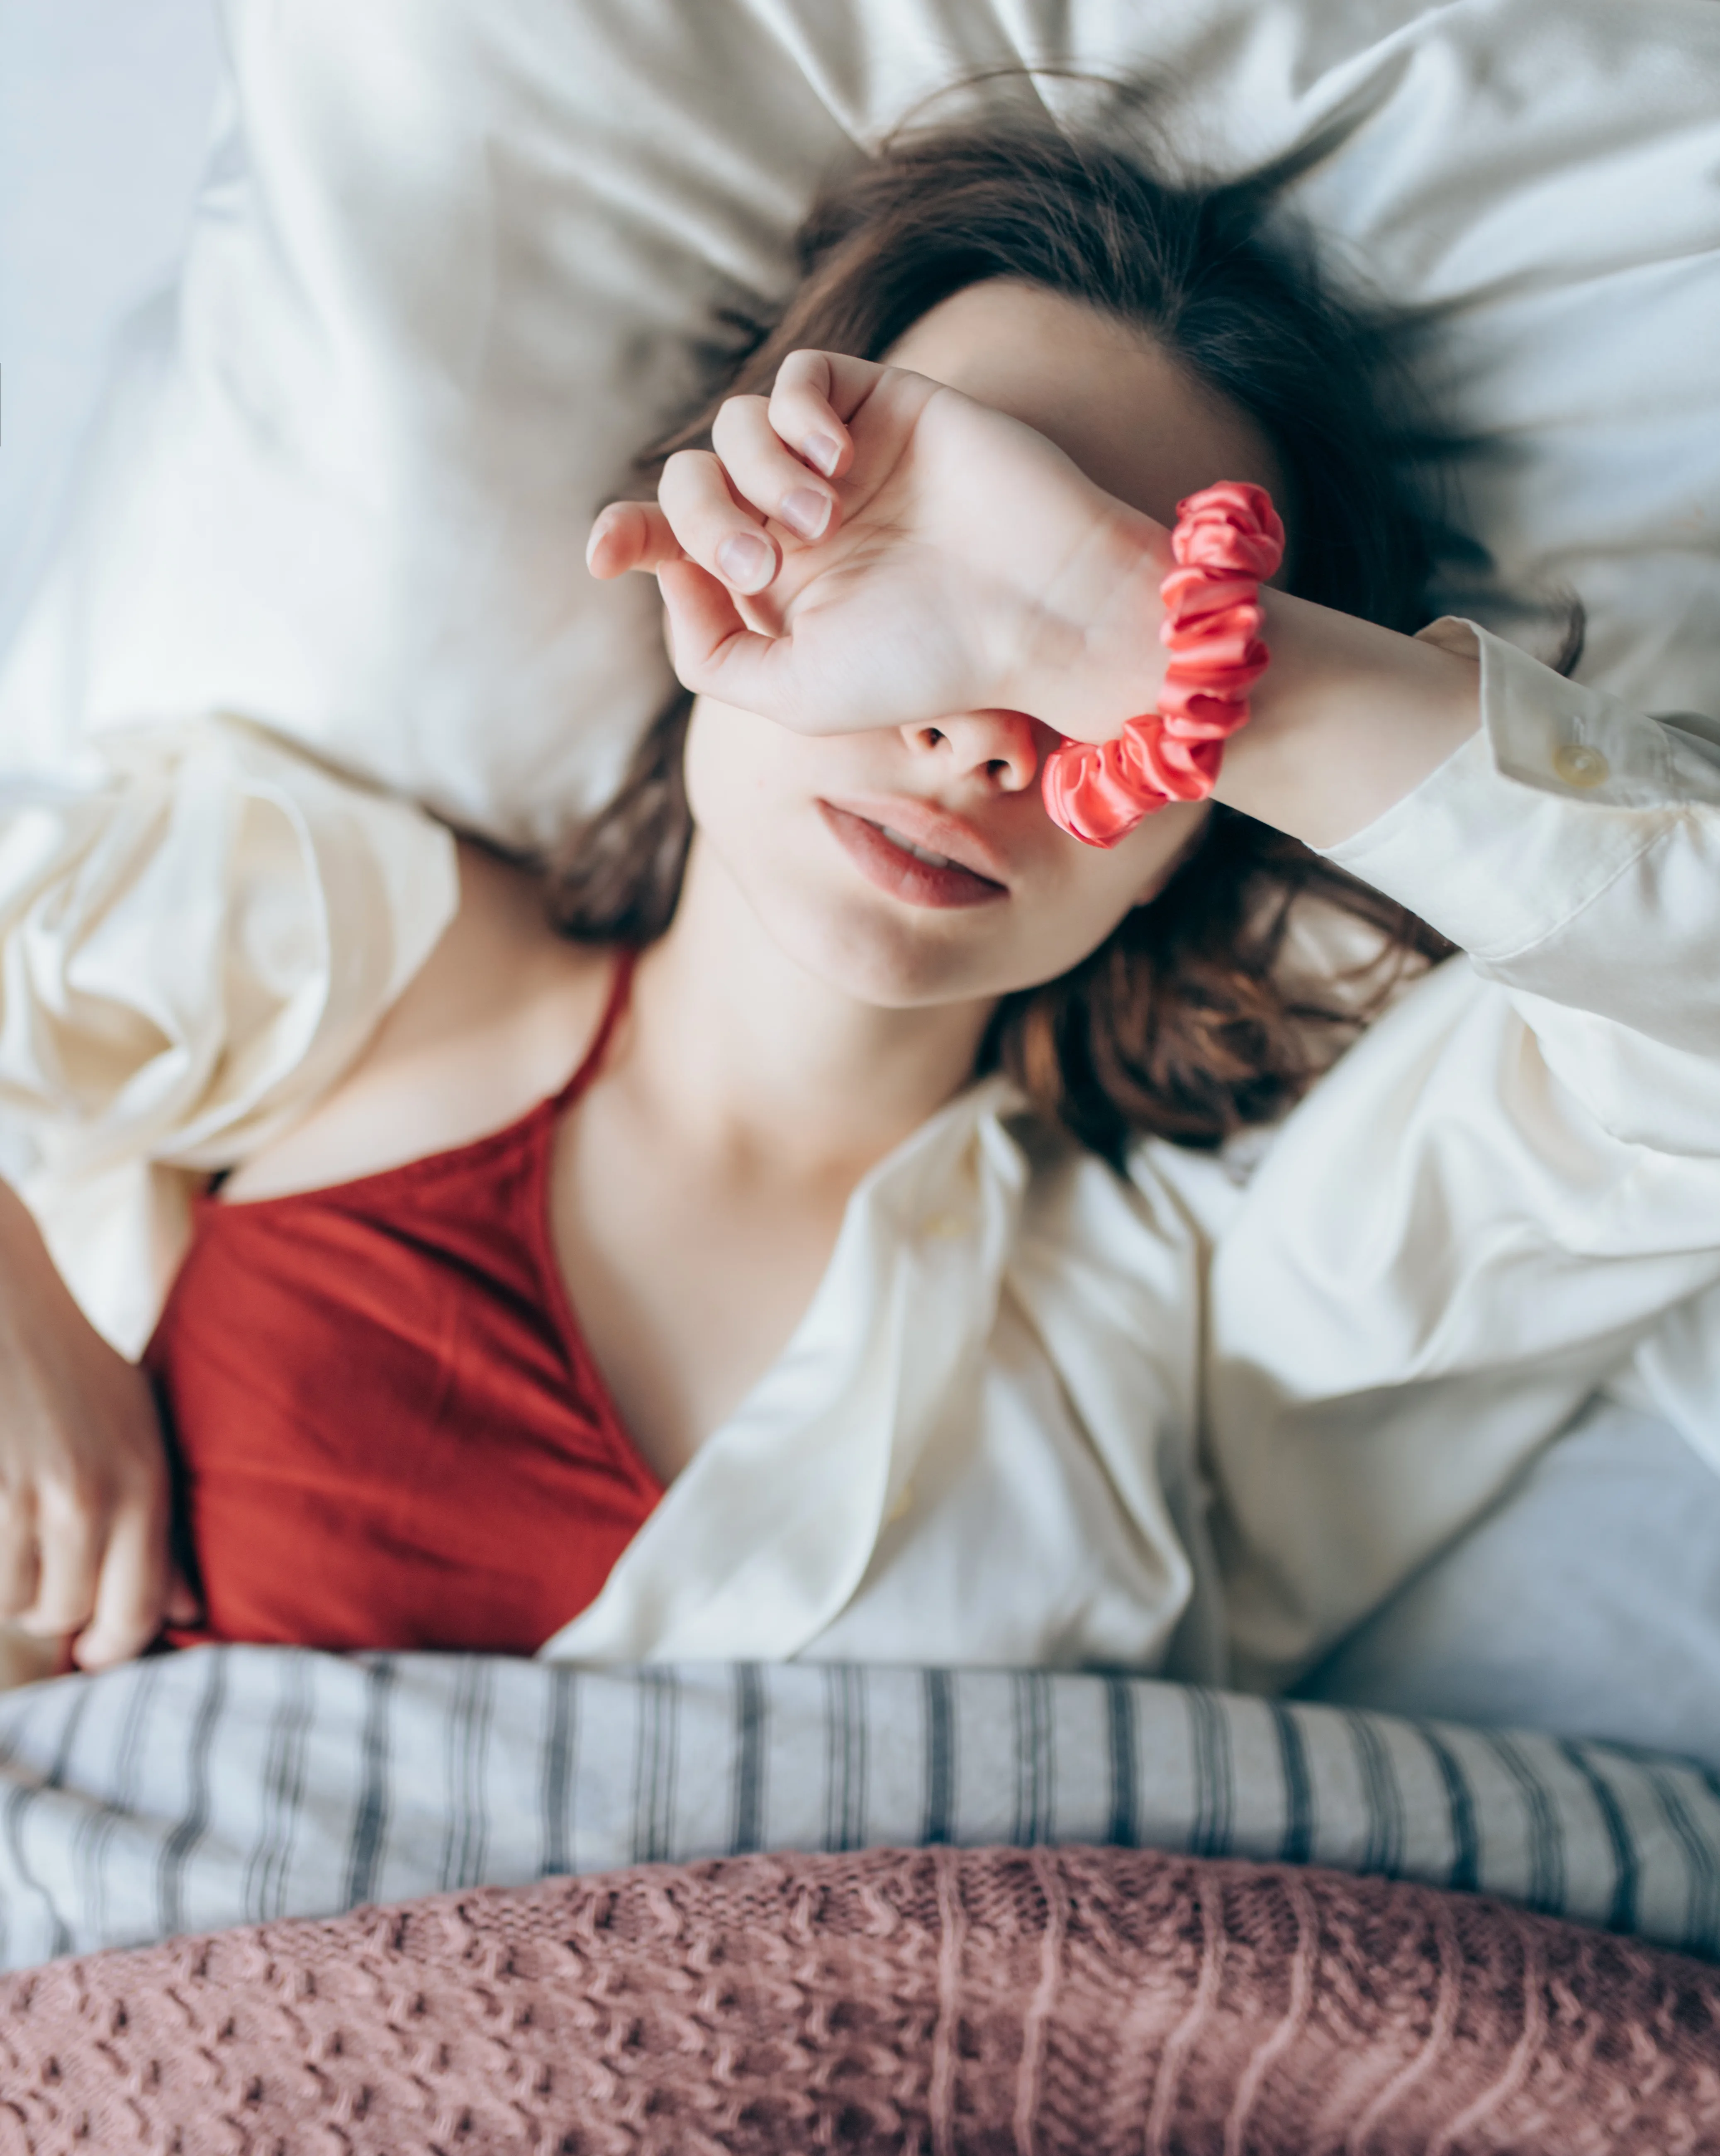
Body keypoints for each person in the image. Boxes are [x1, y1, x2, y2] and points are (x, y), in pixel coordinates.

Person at [0, 123, 1715, 1693]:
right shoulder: (341, 935)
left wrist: (1150, 634)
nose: (981, 731)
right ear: (721, 543)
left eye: (1092, 675)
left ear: (1198, 833)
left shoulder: (1188, 1316)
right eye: (918, 561)